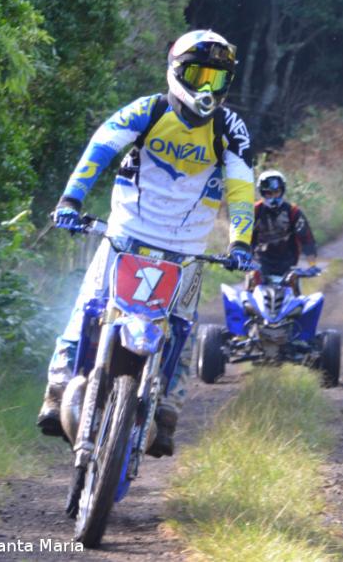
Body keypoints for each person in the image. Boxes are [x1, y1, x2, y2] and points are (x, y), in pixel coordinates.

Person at [37, 29, 256, 458]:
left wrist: (241, 242)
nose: (207, 88)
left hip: (189, 251)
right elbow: (99, 149)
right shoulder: (148, 109)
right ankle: (58, 385)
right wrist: (70, 200)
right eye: (198, 75)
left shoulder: (231, 128)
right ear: (176, 73)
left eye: (217, 79)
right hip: (125, 236)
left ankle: (168, 408)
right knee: (87, 306)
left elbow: (242, 189)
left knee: (182, 328)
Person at [247, 170, 317, 293]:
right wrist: (241, 258)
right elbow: (245, 238)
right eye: (269, 193)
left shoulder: (293, 212)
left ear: (282, 191)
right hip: (260, 262)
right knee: (253, 281)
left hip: (287, 263)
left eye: (276, 192)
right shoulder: (254, 212)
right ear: (263, 193)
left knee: (293, 287)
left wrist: (312, 265)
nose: (273, 197)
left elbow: (307, 239)